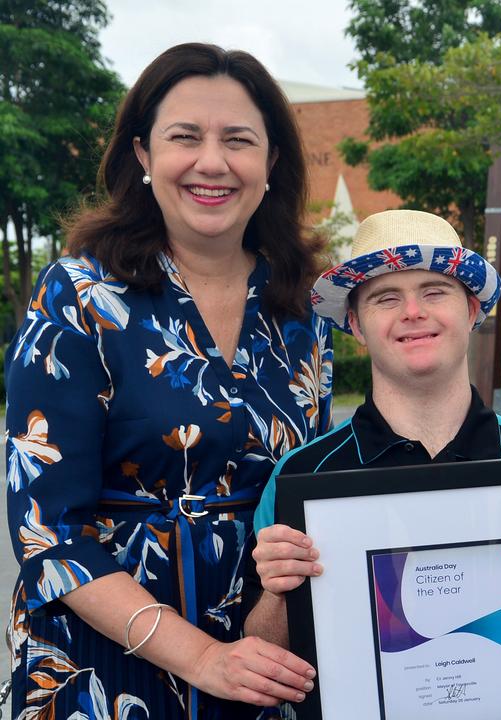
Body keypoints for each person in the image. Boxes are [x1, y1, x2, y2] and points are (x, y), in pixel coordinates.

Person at [4, 44, 329, 718]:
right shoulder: (80, 297)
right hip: (105, 661)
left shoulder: (300, 310)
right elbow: (47, 529)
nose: (212, 161)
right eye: (185, 137)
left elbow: (309, 495)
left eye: (238, 140)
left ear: (270, 164)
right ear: (144, 156)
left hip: (262, 661)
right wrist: (203, 658)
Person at [245, 209, 501, 655]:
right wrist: (280, 591)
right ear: (357, 326)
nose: (414, 313)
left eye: (434, 291)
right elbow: (263, 648)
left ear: (472, 309)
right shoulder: (301, 477)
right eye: (386, 298)